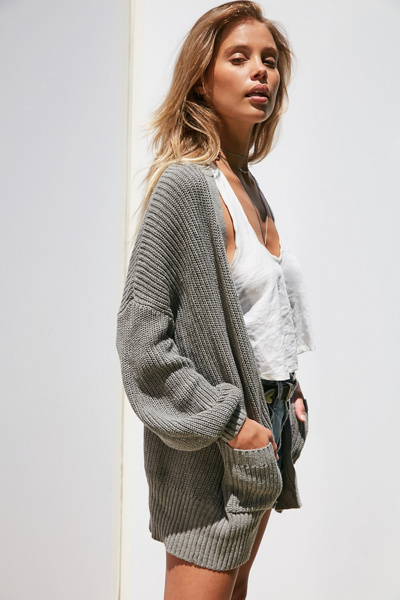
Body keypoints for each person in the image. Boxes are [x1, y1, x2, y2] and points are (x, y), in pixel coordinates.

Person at [117, 2, 314, 598]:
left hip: (268, 423)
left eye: (270, 61)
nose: (261, 72)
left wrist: (290, 399)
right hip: (219, 441)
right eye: (239, 57)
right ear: (203, 79)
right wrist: (233, 424)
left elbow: (260, 321)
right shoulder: (185, 186)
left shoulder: (247, 186)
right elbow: (141, 342)